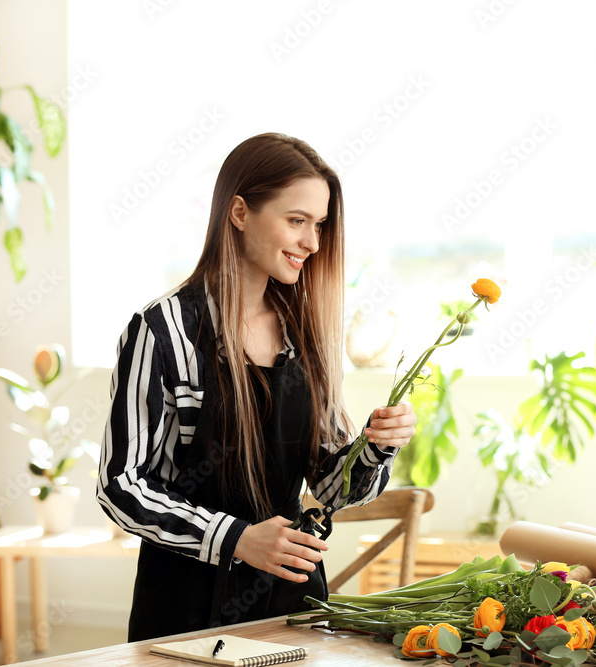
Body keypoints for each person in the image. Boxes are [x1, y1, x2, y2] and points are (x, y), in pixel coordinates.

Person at [96, 133, 417, 641]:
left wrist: (375, 447)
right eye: (296, 221)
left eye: (319, 225)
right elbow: (120, 485)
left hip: (293, 606)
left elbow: (331, 488)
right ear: (240, 212)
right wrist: (236, 539)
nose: (312, 243)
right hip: (185, 612)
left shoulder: (304, 334)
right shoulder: (161, 331)